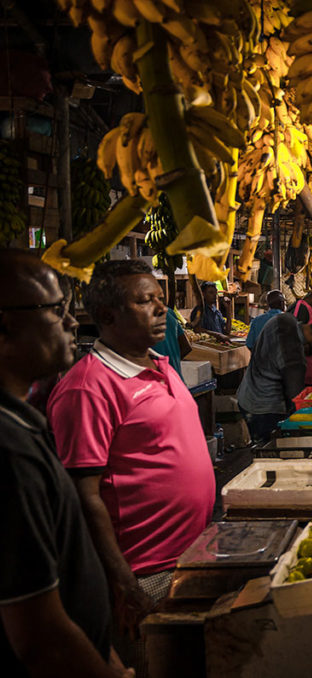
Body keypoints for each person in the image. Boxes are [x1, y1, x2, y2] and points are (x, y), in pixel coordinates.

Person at [48, 260, 215, 672]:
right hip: (143, 574)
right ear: (108, 316)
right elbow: (82, 497)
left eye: (161, 299)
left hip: (190, 556)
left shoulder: (158, 364)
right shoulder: (88, 388)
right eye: (145, 301)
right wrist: (124, 585)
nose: (162, 309)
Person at [0, 249, 129, 677]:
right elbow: (39, 634)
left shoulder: (22, 423)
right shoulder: (8, 451)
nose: (73, 322)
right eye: (56, 310)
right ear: (4, 326)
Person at [237, 314, 312, 442]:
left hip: (247, 394)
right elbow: (296, 402)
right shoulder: (294, 357)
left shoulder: (284, 319)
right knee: (271, 450)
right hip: (265, 410)